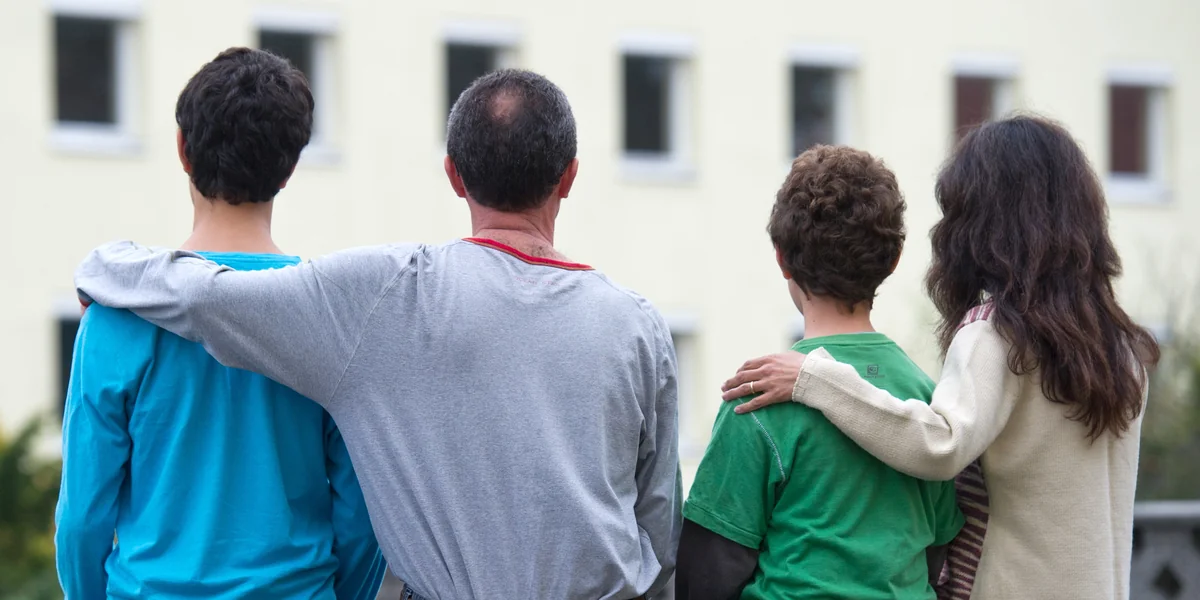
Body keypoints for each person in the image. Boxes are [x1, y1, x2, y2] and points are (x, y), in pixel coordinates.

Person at [73, 68, 681, 600]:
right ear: (569, 176)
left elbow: (207, 298)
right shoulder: (640, 327)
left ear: (454, 174)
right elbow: (659, 522)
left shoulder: (385, 298)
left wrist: (105, 266)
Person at [720, 116, 1160, 600]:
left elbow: (941, 445)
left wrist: (815, 378)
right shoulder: (1121, 347)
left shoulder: (1000, 333)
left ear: (983, 223)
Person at [55, 48, 385, 599]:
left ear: (182, 149)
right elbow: (363, 513)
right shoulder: (331, 320)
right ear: (291, 166)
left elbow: (82, 516)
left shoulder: (113, 319)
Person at [677, 145, 962, 599]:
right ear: (894, 260)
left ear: (781, 258)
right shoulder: (930, 405)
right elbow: (937, 556)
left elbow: (707, 575)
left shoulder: (758, 398)